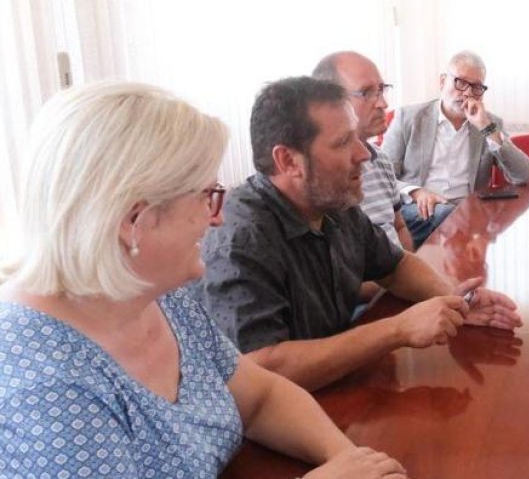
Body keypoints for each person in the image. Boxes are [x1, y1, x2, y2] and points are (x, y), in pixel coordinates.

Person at [0, 82, 405, 478]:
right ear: (133, 222)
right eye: (206, 196)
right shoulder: (45, 387)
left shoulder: (160, 295)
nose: (217, 216)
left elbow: (262, 397)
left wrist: (353, 461)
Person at [199, 77, 522, 392]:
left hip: (336, 393)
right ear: (288, 160)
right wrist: (397, 329)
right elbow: (263, 369)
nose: (364, 154)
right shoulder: (240, 238)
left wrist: (453, 300)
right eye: (343, 142)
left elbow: (394, 266)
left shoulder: (333, 202)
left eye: (358, 138)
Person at [381, 50, 529, 249]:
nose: (468, 93)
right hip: (418, 210)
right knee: (449, 216)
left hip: (469, 213)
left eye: (477, 87)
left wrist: (487, 128)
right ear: (443, 81)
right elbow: (382, 177)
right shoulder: (407, 118)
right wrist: (416, 192)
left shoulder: (488, 123)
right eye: (460, 83)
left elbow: (523, 175)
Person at [312, 51, 414, 251]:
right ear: (329, 102)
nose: (383, 103)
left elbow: (399, 226)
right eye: (366, 93)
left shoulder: (381, 160)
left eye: (382, 90)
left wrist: (412, 274)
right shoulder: (322, 178)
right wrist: (394, 279)